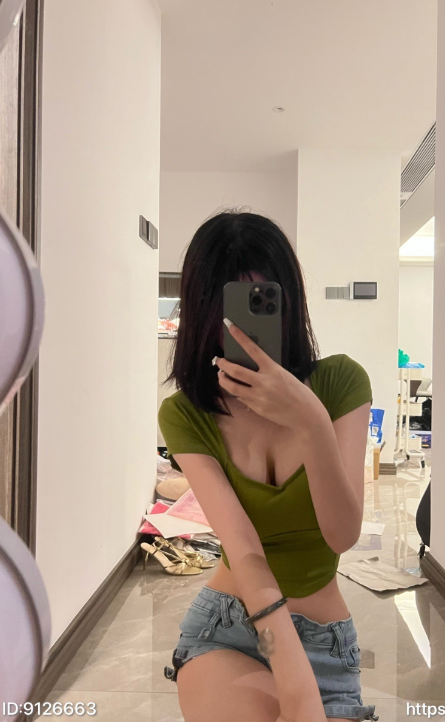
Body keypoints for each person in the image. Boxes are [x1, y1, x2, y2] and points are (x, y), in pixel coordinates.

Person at [157, 209, 378, 722]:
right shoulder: (185, 415)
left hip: (325, 641)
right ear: (203, 312)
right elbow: (243, 548)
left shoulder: (341, 384)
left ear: (289, 302)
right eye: (228, 306)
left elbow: (342, 534)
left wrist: (311, 421)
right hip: (229, 630)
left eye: (262, 301)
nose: (244, 327)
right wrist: (295, 685)